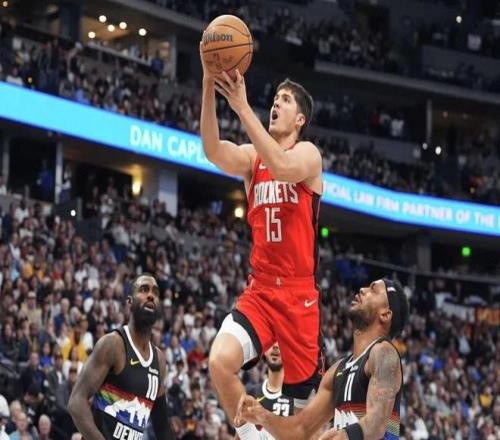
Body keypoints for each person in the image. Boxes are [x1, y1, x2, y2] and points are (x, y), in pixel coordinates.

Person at [200, 42, 324, 440]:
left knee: (304, 422)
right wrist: (207, 82)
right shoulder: (253, 159)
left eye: (284, 100)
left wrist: (241, 106)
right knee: (219, 361)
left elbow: (284, 167)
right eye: (274, 99)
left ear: (300, 118)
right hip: (261, 291)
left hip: (299, 299)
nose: (276, 104)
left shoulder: (308, 155)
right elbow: (213, 150)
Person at [236, 278, 409, 440]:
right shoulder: (338, 370)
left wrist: (343, 436)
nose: (363, 290)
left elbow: (377, 423)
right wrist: (261, 415)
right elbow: (300, 429)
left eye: (373, 290)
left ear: (385, 315)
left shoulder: (384, 353)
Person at [68, 274, 174, 439]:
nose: (151, 295)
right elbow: (76, 402)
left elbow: (162, 426)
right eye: (144, 290)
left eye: (155, 292)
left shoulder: (159, 360)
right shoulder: (113, 345)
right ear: (129, 301)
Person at [253, 343, 294, 440]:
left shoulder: (299, 397)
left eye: (280, 341)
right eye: (272, 341)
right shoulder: (251, 393)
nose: (275, 346)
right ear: (264, 351)